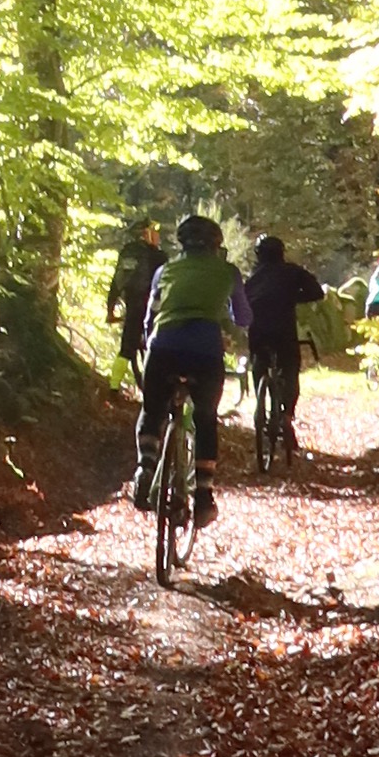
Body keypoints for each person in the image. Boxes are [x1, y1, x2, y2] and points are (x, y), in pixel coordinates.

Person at [130, 212, 236, 524]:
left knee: (152, 410)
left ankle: (145, 467)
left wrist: (149, 339)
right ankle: (203, 496)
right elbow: (243, 315)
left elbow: (151, 315)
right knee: (205, 418)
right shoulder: (227, 272)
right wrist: (234, 330)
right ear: (216, 245)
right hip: (205, 352)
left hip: (163, 348)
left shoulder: (165, 269)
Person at [241, 233, 324, 438]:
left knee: (259, 363)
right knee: (290, 370)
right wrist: (292, 298)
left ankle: (260, 405)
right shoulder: (293, 272)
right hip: (284, 331)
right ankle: (287, 415)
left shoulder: (253, 277)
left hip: (258, 330)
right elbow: (317, 293)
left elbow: (241, 300)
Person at [106, 216, 165, 377]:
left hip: (132, 306)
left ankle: (114, 387)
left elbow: (116, 282)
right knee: (161, 348)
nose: (158, 236)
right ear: (147, 234)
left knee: (126, 348)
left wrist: (110, 310)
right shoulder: (158, 256)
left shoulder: (127, 252)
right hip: (154, 309)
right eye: (155, 232)